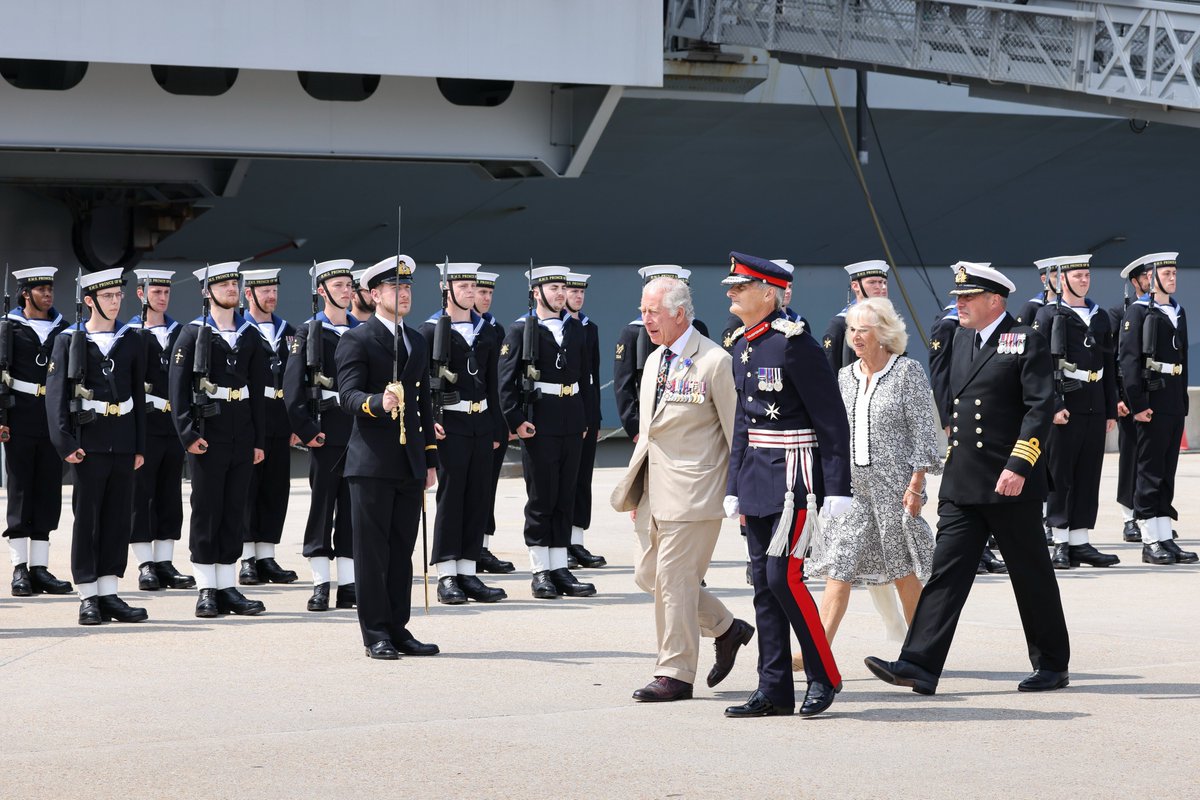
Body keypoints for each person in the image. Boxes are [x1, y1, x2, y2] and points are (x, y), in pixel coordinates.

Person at [865, 261, 1070, 695]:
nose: (958, 304)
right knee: (946, 574)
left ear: (994, 300)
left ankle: (1052, 664)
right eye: (957, 297)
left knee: (1030, 575)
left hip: (1009, 481)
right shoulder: (958, 339)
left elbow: (1039, 408)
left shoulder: (1025, 341)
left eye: (967, 298)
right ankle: (918, 664)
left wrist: (1020, 465)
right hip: (964, 481)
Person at [610, 276, 754, 702]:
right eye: (642, 310)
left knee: (674, 580)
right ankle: (728, 628)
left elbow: (737, 431)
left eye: (653, 311)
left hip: (696, 493)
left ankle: (674, 672)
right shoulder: (655, 359)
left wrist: (741, 492)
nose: (645, 319)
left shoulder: (715, 361)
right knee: (648, 575)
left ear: (679, 312)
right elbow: (649, 431)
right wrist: (640, 490)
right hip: (655, 489)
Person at [722, 252, 850, 719]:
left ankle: (823, 675)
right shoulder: (741, 344)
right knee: (762, 584)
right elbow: (743, 422)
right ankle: (773, 689)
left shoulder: (797, 345)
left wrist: (838, 487)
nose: (732, 294)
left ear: (768, 293)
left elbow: (832, 421)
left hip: (796, 479)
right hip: (756, 475)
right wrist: (733, 481)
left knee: (785, 577)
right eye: (732, 288)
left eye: (740, 287)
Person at [806, 297, 941, 653]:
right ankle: (818, 650)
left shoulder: (907, 373)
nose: (855, 337)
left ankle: (921, 650)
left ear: (883, 332)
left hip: (894, 489)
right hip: (853, 489)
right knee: (839, 566)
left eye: (862, 330)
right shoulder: (844, 377)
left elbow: (925, 433)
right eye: (851, 330)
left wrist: (916, 485)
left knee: (902, 571)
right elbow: (833, 434)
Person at [334, 255, 440, 659]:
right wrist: (378, 401)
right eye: (396, 288)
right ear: (374, 294)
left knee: (401, 549)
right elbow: (347, 396)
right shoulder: (356, 339)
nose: (405, 294)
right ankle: (375, 632)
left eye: (409, 287)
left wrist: (430, 457)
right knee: (372, 551)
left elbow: (423, 402)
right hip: (372, 462)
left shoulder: (417, 339)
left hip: (409, 461)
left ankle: (399, 627)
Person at [45, 268, 148, 625]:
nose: (115, 302)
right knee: (87, 519)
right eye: (107, 297)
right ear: (89, 301)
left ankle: (109, 593)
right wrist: (65, 443)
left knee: (118, 519)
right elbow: (56, 398)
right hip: (87, 445)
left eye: (118, 296)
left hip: (122, 442)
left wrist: (139, 446)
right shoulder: (68, 341)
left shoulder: (132, 340)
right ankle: (88, 595)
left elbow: (138, 395)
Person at [168, 263, 267, 618]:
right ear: (206, 292)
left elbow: (258, 391)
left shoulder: (249, 334)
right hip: (207, 433)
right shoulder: (191, 335)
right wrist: (187, 433)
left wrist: (258, 439)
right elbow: (177, 390)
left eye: (233, 283)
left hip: (241, 432)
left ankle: (228, 585)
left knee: (234, 508)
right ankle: (206, 587)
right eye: (223, 284)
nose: (231, 289)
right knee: (207, 508)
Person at [498, 266, 595, 599]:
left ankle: (560, 567)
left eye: (562, 287)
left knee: (565, 495)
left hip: (570, 418)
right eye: (553, 287)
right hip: (539, 420)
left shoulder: (576, 330)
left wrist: (584, 419)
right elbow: (506, 381)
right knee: (541, 496)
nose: (560, 293)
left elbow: (584, 378)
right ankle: (540, 569)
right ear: (536, 292)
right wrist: (514, 420)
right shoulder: (521, 330)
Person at [419, 262, 507, 605]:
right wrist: (429, 420)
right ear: (447, 290)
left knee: (478, 497)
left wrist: (498, 425)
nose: (471, 291)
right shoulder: (428, 332)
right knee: (452, 497)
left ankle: (468, 571)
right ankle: (446, 574)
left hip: (481, 423)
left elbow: (494, 383)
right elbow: (420, 385)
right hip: (449, 426)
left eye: (473, 286)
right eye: (464, 286)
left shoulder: (487, 331)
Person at [1030, 256, 1119, 569]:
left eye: (1086, 275)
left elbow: (1109, 364)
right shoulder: (1048, 315)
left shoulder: (1099, 317)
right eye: (1078, 275)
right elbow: (1038, 366)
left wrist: (1111, 408)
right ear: (1062, 279)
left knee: (1088, 473)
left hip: (1094, 402)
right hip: (1066, 404)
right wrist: (1054, 404)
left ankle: (1080, 541)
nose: (1084, 280)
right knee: (1061, 475)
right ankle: (1060, 541)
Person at [283, 259, 359, 611]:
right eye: (339, 285)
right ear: (321, 290)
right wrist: (308, 430)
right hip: (326, 433)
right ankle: (319, 583)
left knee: (352, 511)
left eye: (349, 285)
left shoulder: (362, 330)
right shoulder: (308, 332)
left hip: (358, 434)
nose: (347, 291)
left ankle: (348, 584)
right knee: (322, 508)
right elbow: (293, 388)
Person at [1118, 252, 1197, 565]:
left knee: (1167, 471)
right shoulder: (1137, 313)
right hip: (1151, 399)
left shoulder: (1177, 311)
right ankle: (1150, 540)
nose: (1172, 277)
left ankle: (1165, 535)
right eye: (1166, 272)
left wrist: (1183, 402)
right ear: (1149, 278)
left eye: (1174, 272)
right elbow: (1128, 361)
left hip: (1173, 399)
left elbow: (1183, 360)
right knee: (1149, 471)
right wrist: (1137, 403)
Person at [3, 267, 73, 597]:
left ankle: (40, 568)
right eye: (40, 289)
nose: (48, 294)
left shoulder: (64, 329)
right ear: (25, 294)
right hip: (20, 415)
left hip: (53, 417)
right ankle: (19, 567)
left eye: (50, 289)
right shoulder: (9, 327)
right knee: (20, 490)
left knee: (48, 490)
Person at [929, 298, 1008, 576]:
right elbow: (940, 374)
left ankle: (984, 549)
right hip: (962, 420)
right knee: (967, 485)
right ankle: (977, 551)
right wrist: (947, 417)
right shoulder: (949, 323)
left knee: (986, 483)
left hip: (987, 424)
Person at [128, 268, 195, 591]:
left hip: (173, 424)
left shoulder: (180, 332)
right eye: (156, 292)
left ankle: (165, 561)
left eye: (166, 292)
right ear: (141, 294)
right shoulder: (129, 333)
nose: (162, 297)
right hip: (144, 423)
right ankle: (145, 563)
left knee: (169, 494)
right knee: (142, 495)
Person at [239, 268, 299, 586]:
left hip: (279, 419)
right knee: (249, 490)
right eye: (264, 291)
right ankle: (247, 557)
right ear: (249, 294)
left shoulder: (288, 331)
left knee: (276, 490)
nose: (271, 296)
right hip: (251, 418)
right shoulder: (241, 330)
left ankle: (266, 555)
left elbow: (295, 380)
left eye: (274, 290)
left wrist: (295, 421)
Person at [613, 265, 708, 443]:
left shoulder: (698, 329)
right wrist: (635, 429)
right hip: (649, 429)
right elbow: (623, 385)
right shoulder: (632, 332)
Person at [472, 269, 517, 575]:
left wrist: (505, 424)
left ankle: (483, 546)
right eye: (480, 292)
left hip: (494, 420)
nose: (485, 298)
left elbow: (501, 381)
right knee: (468, 490)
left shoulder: (495, 328)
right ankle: (467, 549)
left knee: (487, 489)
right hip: (467, 421)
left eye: (489, 293)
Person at [564, 272, 606, 569]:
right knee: (562, 482)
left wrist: (595, 415)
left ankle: (576, 540)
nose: (578, 297)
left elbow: (592, 375)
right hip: (563, 413)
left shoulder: (590, 327)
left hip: (586, 411)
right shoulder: (560, 328)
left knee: (582, 479)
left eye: (581, 293)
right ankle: (561, 541)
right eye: (572, 291)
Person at [1108, 266, 1148, 543]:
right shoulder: (1119, 313)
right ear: (1135, 282)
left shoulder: (1168, 311)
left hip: (1156, 399)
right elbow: (1111, 360)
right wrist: (1117, 397)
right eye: (1147, 276)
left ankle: (1152, 515)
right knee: (1131, 458)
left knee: (1154, 462)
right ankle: (1129, 516)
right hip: (1128, 400)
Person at [822, 260, 889, 372]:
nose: (880, 287)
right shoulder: (840, 323)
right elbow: (830, 371)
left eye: (883, 282)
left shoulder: (888, 321)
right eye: (872, 282)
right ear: (855, 286)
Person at [1015, 261, 1056, 325]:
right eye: (1056, 276)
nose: (1061, 280)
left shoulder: (1072, 305)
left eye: (1063, 276)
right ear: (1044, 279)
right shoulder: (1032, 306)